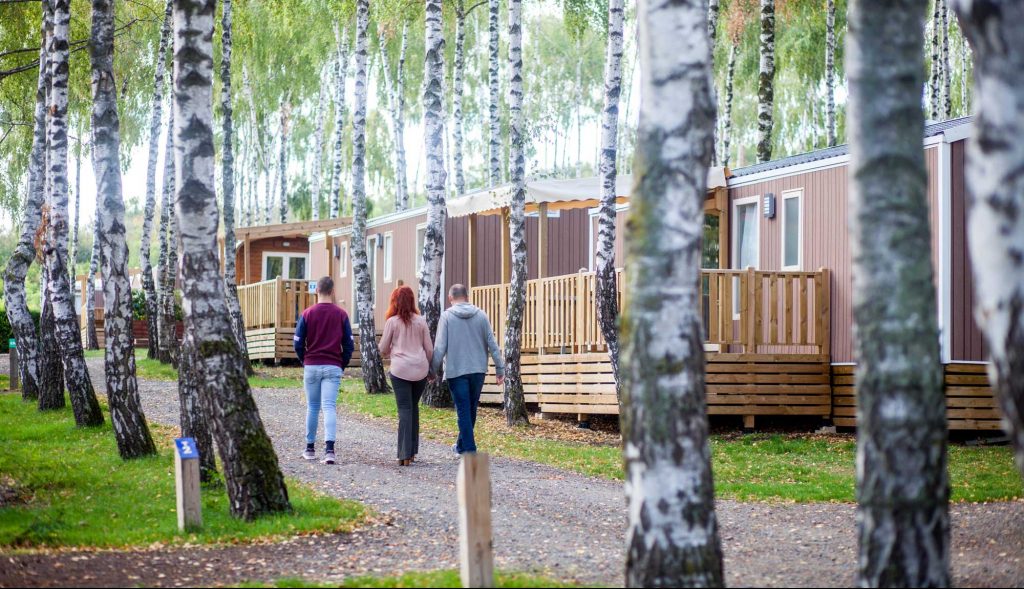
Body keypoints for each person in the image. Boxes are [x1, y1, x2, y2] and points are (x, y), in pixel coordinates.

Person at [431, 284, 505, 456]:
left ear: (450, 298)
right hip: (478, 369)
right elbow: (492, 344)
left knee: (464, 410)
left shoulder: (447, 317)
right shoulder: (481, 315)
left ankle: (470, 450)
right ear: (467, 297)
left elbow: (440, 347)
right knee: (470, 409)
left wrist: (432, 370)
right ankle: (461, 446)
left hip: (456, 370)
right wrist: (499, 368)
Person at [294, 276, 354, 465]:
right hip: (333, 365)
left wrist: (305, 360)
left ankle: (310, 448)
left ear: (316, 291)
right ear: (333, 291)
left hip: (311, 364)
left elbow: (297, 342)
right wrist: (341, 364)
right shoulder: (341, 314)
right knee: (329, 406)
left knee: (312, 407)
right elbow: (349, 345)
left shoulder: (307, 314)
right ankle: (329, 451)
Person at [379, 286, 433, 466]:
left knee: (404, 409)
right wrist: (430, 369)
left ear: (394, 302)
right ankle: (412, 452)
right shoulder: (421, 321)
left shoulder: (392, 322)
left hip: (400, 370)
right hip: (420, 370)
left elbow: (383, 348)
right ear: (412, 301)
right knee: (413, 408)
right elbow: (430, 349)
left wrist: (388, 353)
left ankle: (403, 454)